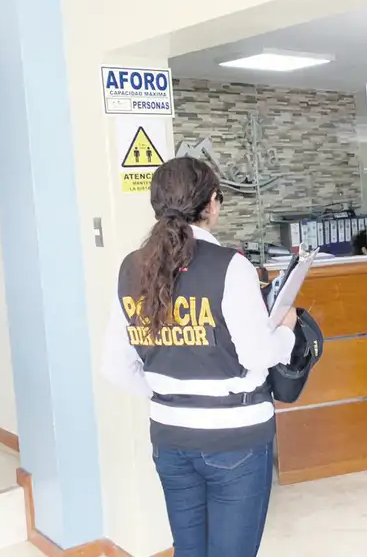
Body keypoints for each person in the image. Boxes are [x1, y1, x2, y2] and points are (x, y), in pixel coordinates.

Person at [101, 157, 299, 557]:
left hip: (170, 437)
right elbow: (258, 354)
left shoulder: (130, 267)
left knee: (190, 550)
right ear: (212, 204)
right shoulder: (231, 266)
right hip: (235, 437)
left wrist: (170, 394)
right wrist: (286, 331)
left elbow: (114, 366)